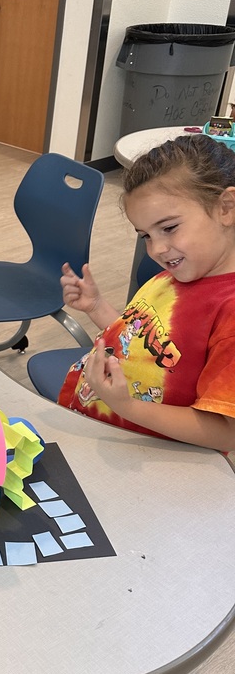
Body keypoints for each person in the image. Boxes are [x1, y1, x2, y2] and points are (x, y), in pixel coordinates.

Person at [57, 133, 235, 452]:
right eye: (146, 236)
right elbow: (142, 342)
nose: (157, 249)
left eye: (169, 228)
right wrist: (96, 306)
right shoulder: (179, 273)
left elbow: (227, 432)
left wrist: (127, 406)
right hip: (103, 433)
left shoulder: (228, 312)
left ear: (226, 207)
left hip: (147, 457)